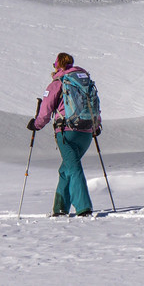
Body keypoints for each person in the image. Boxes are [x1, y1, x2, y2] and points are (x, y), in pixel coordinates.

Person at [29, 51, 101, 217]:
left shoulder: (58, 82)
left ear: (57, 65)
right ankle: (59, 208)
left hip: (66, 132)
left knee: (73, 167)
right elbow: (94, 105)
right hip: (87, 133)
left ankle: (84, 208)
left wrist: (36, 125)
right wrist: (96, 125)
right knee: (66, 169)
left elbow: (45, 110)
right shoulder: (85, 81)